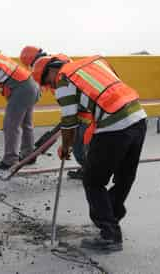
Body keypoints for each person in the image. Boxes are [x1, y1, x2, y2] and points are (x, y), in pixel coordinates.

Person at [32, 55, 147, 251]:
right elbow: (97, 103)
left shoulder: (64, 79)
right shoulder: (91, 65)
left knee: (93, 181)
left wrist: (66, 147)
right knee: (125, 176)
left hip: (114, 126)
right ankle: (112, 213)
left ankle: (110, 235)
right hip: (138, 118)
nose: (50, 86)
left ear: (51, 70)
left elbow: (69, 122)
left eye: (47, 82)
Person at [20, 46, 86, 179]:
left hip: (80, 107)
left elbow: (65, 90)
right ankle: (88, 168)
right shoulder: (57, 61)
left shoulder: (49, 69)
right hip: (78, 104)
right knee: (77, 137)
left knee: (77, 140)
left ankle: (87, 170)